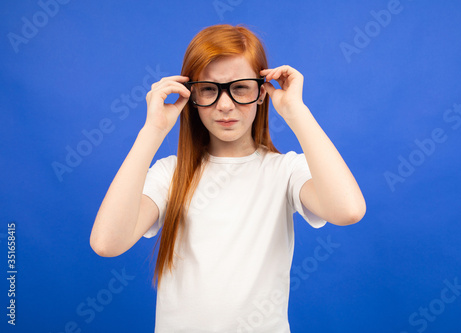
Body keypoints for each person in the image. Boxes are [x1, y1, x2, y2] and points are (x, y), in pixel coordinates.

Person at [90, 24, 366, 333]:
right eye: (209, 89)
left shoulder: (284, 171)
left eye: (240, 87)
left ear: (262, 91)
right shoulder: (171, 174)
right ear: (191, 95)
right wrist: (152, 131)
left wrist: (295, 111)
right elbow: (106, 243)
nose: (224, 105)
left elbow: (348, 210)